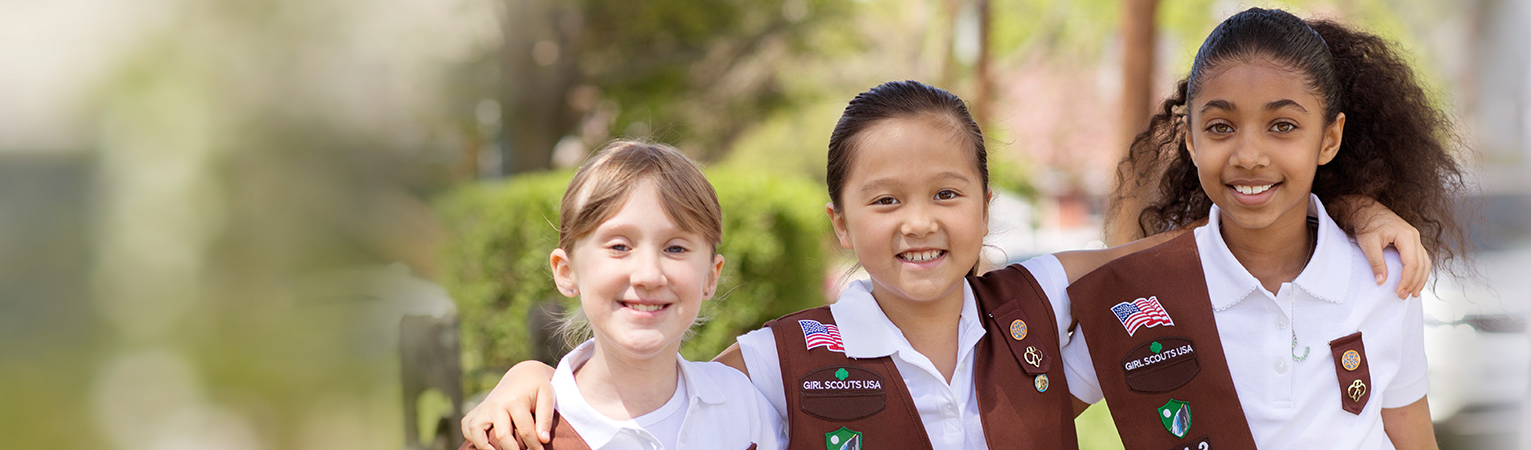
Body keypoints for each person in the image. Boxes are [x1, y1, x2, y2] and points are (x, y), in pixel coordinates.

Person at [462, 81, 1434, 450]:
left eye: (946, 193)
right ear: (841, 222)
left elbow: (1218, 240)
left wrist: (1346, 203)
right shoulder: (781, 364)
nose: (917, 224)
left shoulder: (1045, 305)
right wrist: (537, 373)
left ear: (983, 203)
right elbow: (647, 388)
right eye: (883, 201)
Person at [1059, 8, 1464, 450]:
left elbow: (1415, 440)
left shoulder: (1383, 276)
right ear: (1192, 141)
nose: (1249, 154)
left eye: (1283, 126)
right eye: (1220, 127)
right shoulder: (1143, 298)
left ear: (1329, 139)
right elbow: (1022, 421)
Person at [458, 140, 782, 450]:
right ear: (566, 272)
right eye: (619, 247)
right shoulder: (513, 434)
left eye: (676, 248)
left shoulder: (744, 408)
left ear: (711, 277)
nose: (648, 275)